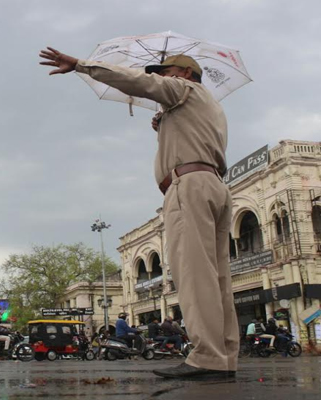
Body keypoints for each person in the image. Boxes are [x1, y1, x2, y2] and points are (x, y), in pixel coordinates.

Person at [40, 47, 237, 379]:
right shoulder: (207, 105)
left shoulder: (184, 89)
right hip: (213, 184)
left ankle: (207, 357)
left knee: (193, 274)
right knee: (218, 280)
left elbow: (136, 82)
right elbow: (190, 140)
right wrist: (164, 126)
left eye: (165, 71)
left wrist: (83, 65)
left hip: (188, 186)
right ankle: (225, 357)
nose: (159, 77)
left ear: (186, 73)